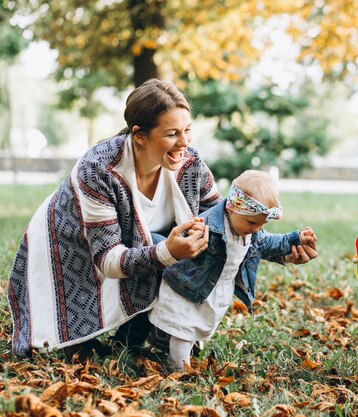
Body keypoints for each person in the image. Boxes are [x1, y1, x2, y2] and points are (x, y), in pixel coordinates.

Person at [8, 79, 316, 360]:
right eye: (172, 134)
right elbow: (108, 261)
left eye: (187, 130)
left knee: (160, 264)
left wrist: (285, 253)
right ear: (140, 136)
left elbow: (228, 223)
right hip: (71, 247)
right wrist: (167, 253)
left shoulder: (190, 164)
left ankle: (138, 335)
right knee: (64, 347)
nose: (184, 142)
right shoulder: (99, 170)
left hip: (145, 246)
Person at [148, 170, 317, 371]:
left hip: (214, 290)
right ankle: (177, 367)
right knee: (183, 328)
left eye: (262, 223)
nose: (256, 228)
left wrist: (294, 239)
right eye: (252, 222)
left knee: (197, 326)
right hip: (190, 286)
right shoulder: (208, 226)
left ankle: (175, 350)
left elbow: (269, 243)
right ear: (232, 208)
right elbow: (179, 241)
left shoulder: (250, 230)